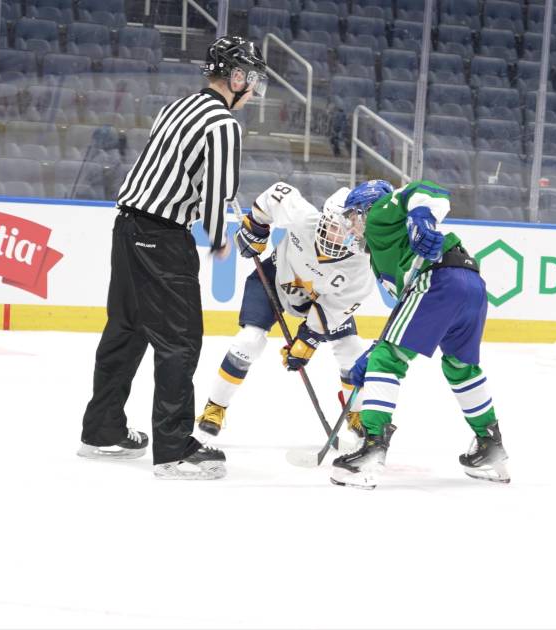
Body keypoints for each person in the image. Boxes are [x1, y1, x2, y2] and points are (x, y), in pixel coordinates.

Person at [78, 35, 267, 480]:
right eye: (252, 79)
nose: (254, 91)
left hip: (127, 227)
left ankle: (102, 431)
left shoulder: (176, 107)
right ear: (236, 77)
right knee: (180, 340)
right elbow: (217, 192)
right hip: (162, 237)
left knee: (125, 329)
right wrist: (223, 239)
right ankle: (174, 448)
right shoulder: (222, 124)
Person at [328, 179, 509, 490]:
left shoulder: (382, 216)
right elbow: (409, 313)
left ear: (366, 211)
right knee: (461, 367)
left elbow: (427, 189)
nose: (352, 227)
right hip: (470, 285)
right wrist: (375, 351)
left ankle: (371, 452)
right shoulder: (382, 252)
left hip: (438, 280)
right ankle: (490, 448)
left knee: (387, 360)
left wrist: (421, 215)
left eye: (353, 217)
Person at [196, 182, 373, 445]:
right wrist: (256, 228)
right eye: (333, 226)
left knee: (351, 349)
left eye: (345, 232)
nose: (336, 236)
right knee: (249, 341)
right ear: (324, 218)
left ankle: (356, 413)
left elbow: (332, 309)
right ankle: (215, 407)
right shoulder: (305, 219)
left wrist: (306, 341)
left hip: (316, 306)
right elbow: (276, 194)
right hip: (274, 281)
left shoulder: (361, 266)